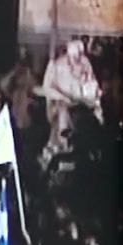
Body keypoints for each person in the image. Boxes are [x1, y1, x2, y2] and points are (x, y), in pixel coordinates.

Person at [36, 40, 103, 168]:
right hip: (61, 105)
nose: (76, 60)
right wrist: (63, 97)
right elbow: (47, 88)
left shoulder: (85, 63)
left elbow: (92, 84)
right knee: (63, 113)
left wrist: (93, 95)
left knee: (91, 117)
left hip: (82, 105)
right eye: (73, 56)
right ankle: (62, 145)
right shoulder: (58, 65)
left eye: (79, 56)